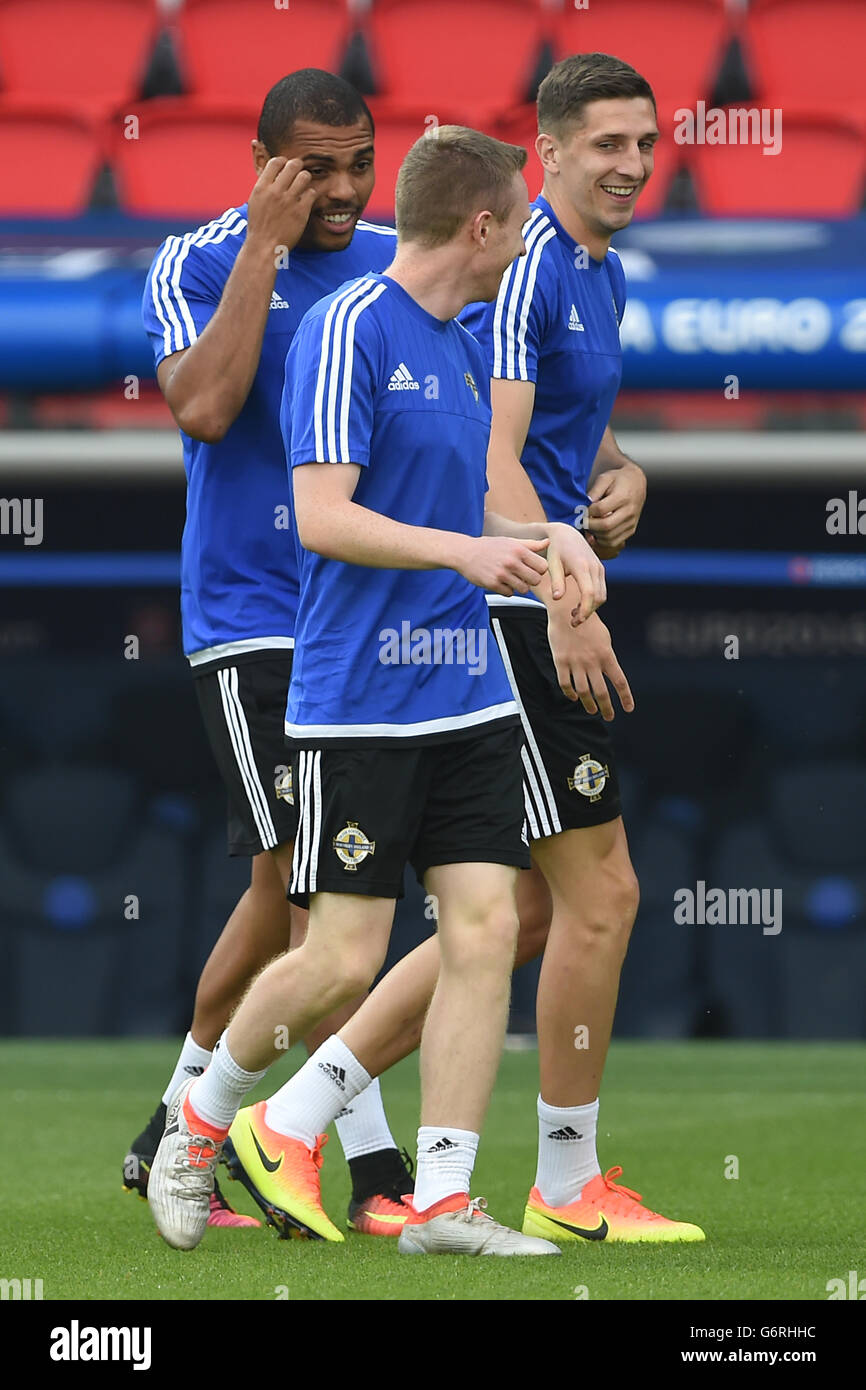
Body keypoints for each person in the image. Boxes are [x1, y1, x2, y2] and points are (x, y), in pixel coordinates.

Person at [224, 54, 705, 1247]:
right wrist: (559, 593)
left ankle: (296, 1117)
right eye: (604, 143)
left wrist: (619, 469)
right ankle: (560, 1174)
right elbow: (488, 459)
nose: (631, 163)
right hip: (505, 620)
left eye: (645, 142)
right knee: (593, 901)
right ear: (541, 155)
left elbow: (555, 440)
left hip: (516, 597)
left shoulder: (595, 272)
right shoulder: (528, 258)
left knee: (513, 917)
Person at [146, 125, 606, 1256]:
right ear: (483, 224)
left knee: (485, 929)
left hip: (464, 688)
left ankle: (444, 1200)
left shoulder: (458, 342)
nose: (525, 246)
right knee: (340, 958)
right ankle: (199, 1125)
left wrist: (550, 538)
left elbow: (468, 516)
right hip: (358, 693)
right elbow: (321, 515)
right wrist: (463, 555)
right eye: (518, 222)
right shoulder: (352, 329)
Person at [129, 68, 415, 1235]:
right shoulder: (196, 260)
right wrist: (266, 243)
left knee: (280, 891)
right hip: (250, 620)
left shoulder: (402, 261)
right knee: (316, 883)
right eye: (315, 165)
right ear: (261, 159)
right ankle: (367, 1169)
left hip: (365, 617)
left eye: (360, 161)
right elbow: (202, 406)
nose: (343, 189)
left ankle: (168, 1131)